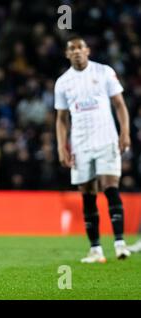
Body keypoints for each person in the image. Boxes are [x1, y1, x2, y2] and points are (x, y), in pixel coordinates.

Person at [55, 35, 132, 263]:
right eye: (72, 49)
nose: (77, 51)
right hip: (80, 143)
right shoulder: (63, 82)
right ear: (67, 54)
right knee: (87, 194)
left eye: (80, 47)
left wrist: (124, 132)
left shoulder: (104, 72)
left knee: (110, 187)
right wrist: (61, 146)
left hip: (106, 139)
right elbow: (61, 119)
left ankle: (120, 244)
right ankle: (96, 249)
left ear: (87, 50)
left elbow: (120, 104)